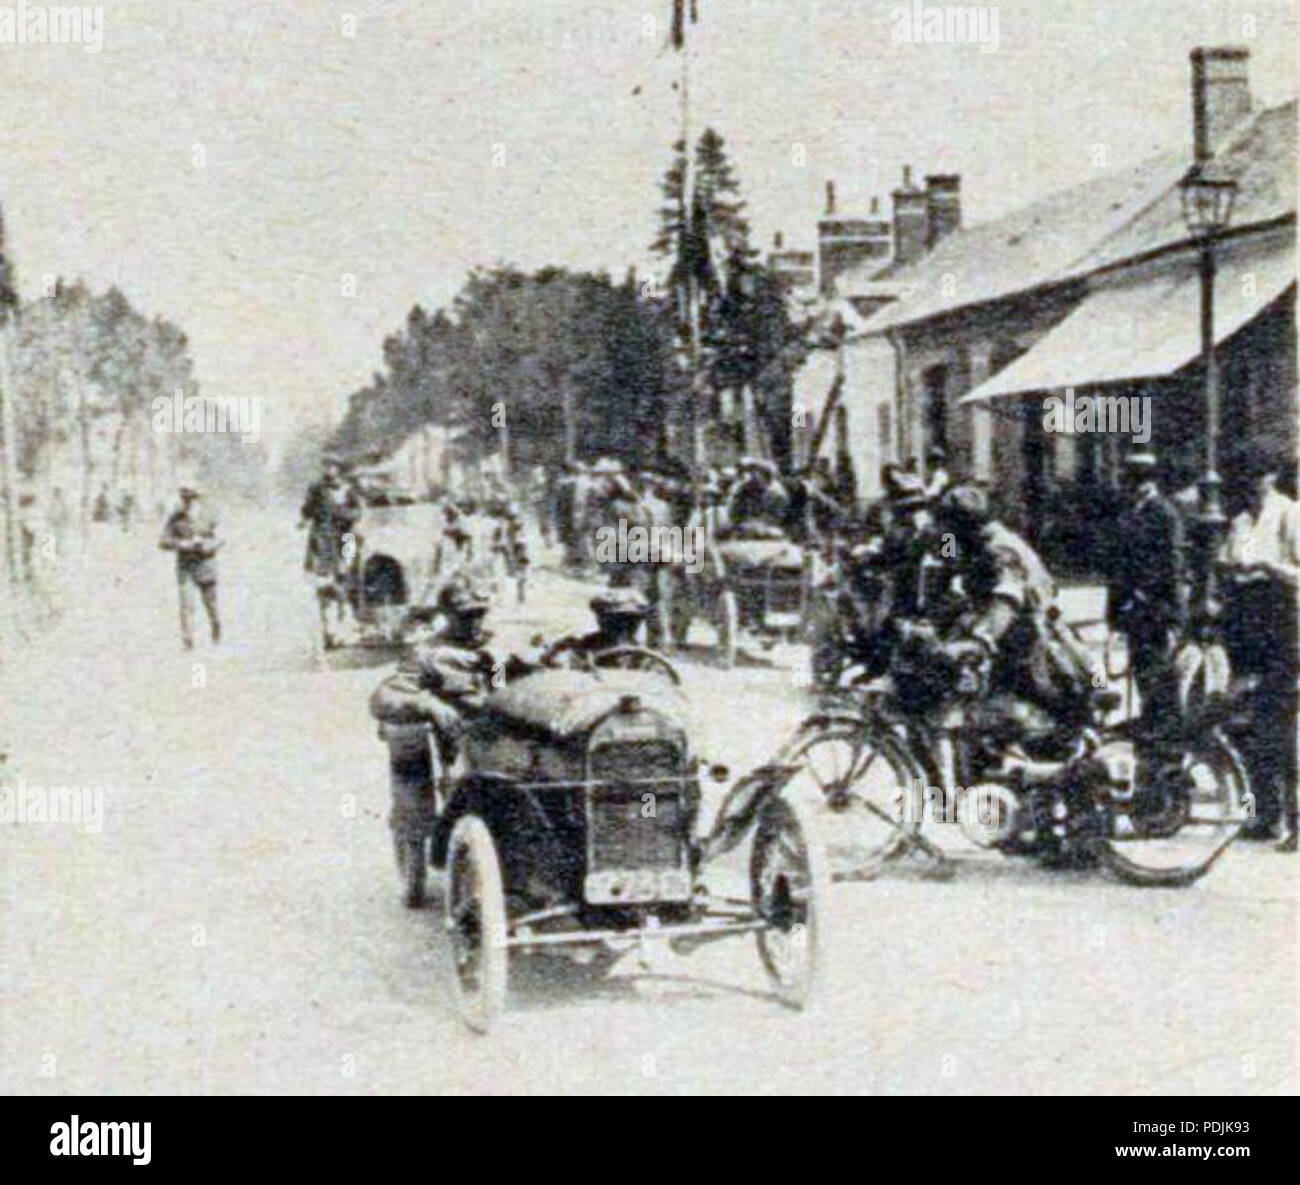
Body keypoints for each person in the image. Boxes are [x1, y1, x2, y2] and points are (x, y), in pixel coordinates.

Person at [369, 582, 499, 907]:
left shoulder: (503, 648)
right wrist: (428, 704)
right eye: (465, 616)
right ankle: (414, 848)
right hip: (463, 743)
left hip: (512, 739)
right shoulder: (427, 654)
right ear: (446, 615)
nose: (475, 623)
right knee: (410, 744)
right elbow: (386, 696)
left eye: (479, 615)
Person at [1220, 454, 1299, 849]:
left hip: (1282, 623)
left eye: (1257, 475)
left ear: (1271, 476)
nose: (1250, 484)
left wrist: (1269, 566)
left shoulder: (1289, 515)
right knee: (1247, 722)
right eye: (1244, 475)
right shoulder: (1240, 521)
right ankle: (1264, 814)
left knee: (1281, 725)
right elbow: (1231, 561)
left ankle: (1295, 822)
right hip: (1246, 623)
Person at [1105, 449, 1187, 734]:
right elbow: (1117, 562)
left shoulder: (1165, 514)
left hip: (1157, 605)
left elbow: (1171, 565)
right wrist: (1116, 608)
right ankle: (1150, 718)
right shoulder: (1128, 513)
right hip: (1132, 604)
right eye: (1131, 480)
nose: (1134, 485)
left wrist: (1148, 596)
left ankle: (1167, 723)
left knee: (1159, 665)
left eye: (1140, 480)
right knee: (1140, 661)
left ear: (1150, 481)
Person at [159, 486, 222, 649]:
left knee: (210, 604)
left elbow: (222, 537)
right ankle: (188, 639)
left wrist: (207, 545)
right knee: (186, 603)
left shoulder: (209, 516)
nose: (187, 502)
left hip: (206, 565)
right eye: (184, 499)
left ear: (197, 499)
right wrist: (181, 544)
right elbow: (163, 541)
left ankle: (216, 625)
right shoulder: (176, 518)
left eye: (191, 499)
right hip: (185, 566)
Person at [540, 589, 650, 669]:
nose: (623, 626)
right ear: (602, 620)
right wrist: (554, 654)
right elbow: (550, 660)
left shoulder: (643, 651)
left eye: (630, 621)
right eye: (615, 621)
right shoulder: (590, 643)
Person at [299, 457, 361, 581]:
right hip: (323, 527)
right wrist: (304, 519)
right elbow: (308, 506)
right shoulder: (316, 487)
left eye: (332, 467)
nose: (328, 470)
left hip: (345, 528)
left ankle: (346, 579)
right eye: (326, 467)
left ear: (337, 469)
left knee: (348, 557)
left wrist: (350, 515)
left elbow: (356, 507)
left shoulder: (347, 487)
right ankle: (324, 581)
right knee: (323, 557)